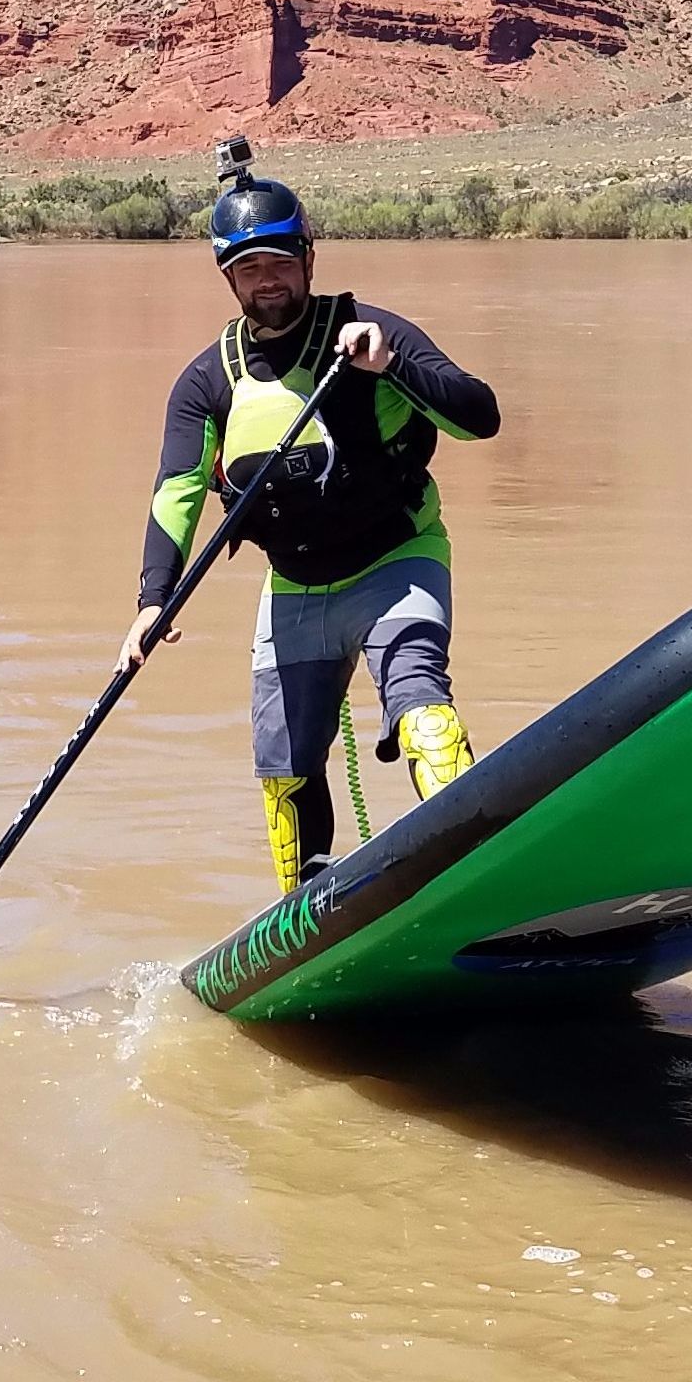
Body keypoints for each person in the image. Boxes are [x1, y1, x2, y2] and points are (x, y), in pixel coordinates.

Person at [120, 143, 503, 892]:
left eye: (280, 264)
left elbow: (479, 418)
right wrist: (150, 600)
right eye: (249, 270)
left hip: (397, 561)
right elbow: (178, 489)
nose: (268, 283)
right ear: (228, 277)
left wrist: (391, 363)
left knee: (424, 721)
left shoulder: (369, 329)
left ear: (309, 256)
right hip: (295, 587)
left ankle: (476, 877)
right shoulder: (206, 382)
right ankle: (310, 919)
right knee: (284, 774)